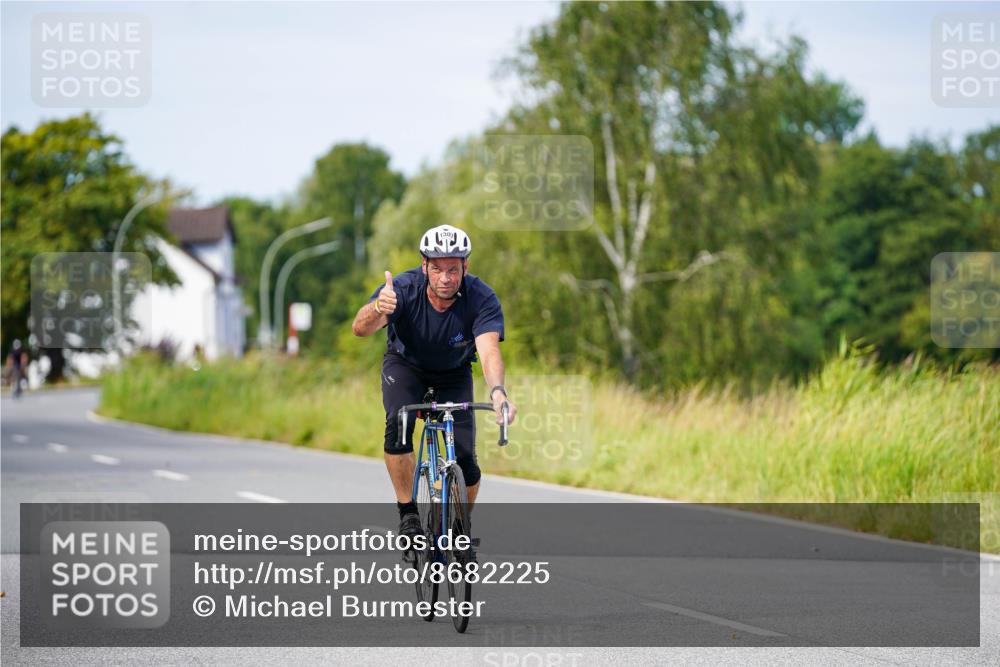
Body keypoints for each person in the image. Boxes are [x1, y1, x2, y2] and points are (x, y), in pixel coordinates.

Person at [351, 224, 518, 538]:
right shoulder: (402, 289)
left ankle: (459, 528)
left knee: (467, 462)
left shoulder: (480, 297)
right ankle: (408, 513)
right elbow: (359, 329)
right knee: (398, 424)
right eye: (437, 268)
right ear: (424, 265)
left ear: (465, 267)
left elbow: (489, 350)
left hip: (453, 373)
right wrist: (377, 308)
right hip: (406, 365)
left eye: (453, 270)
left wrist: (498, 392)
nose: (445, 278)